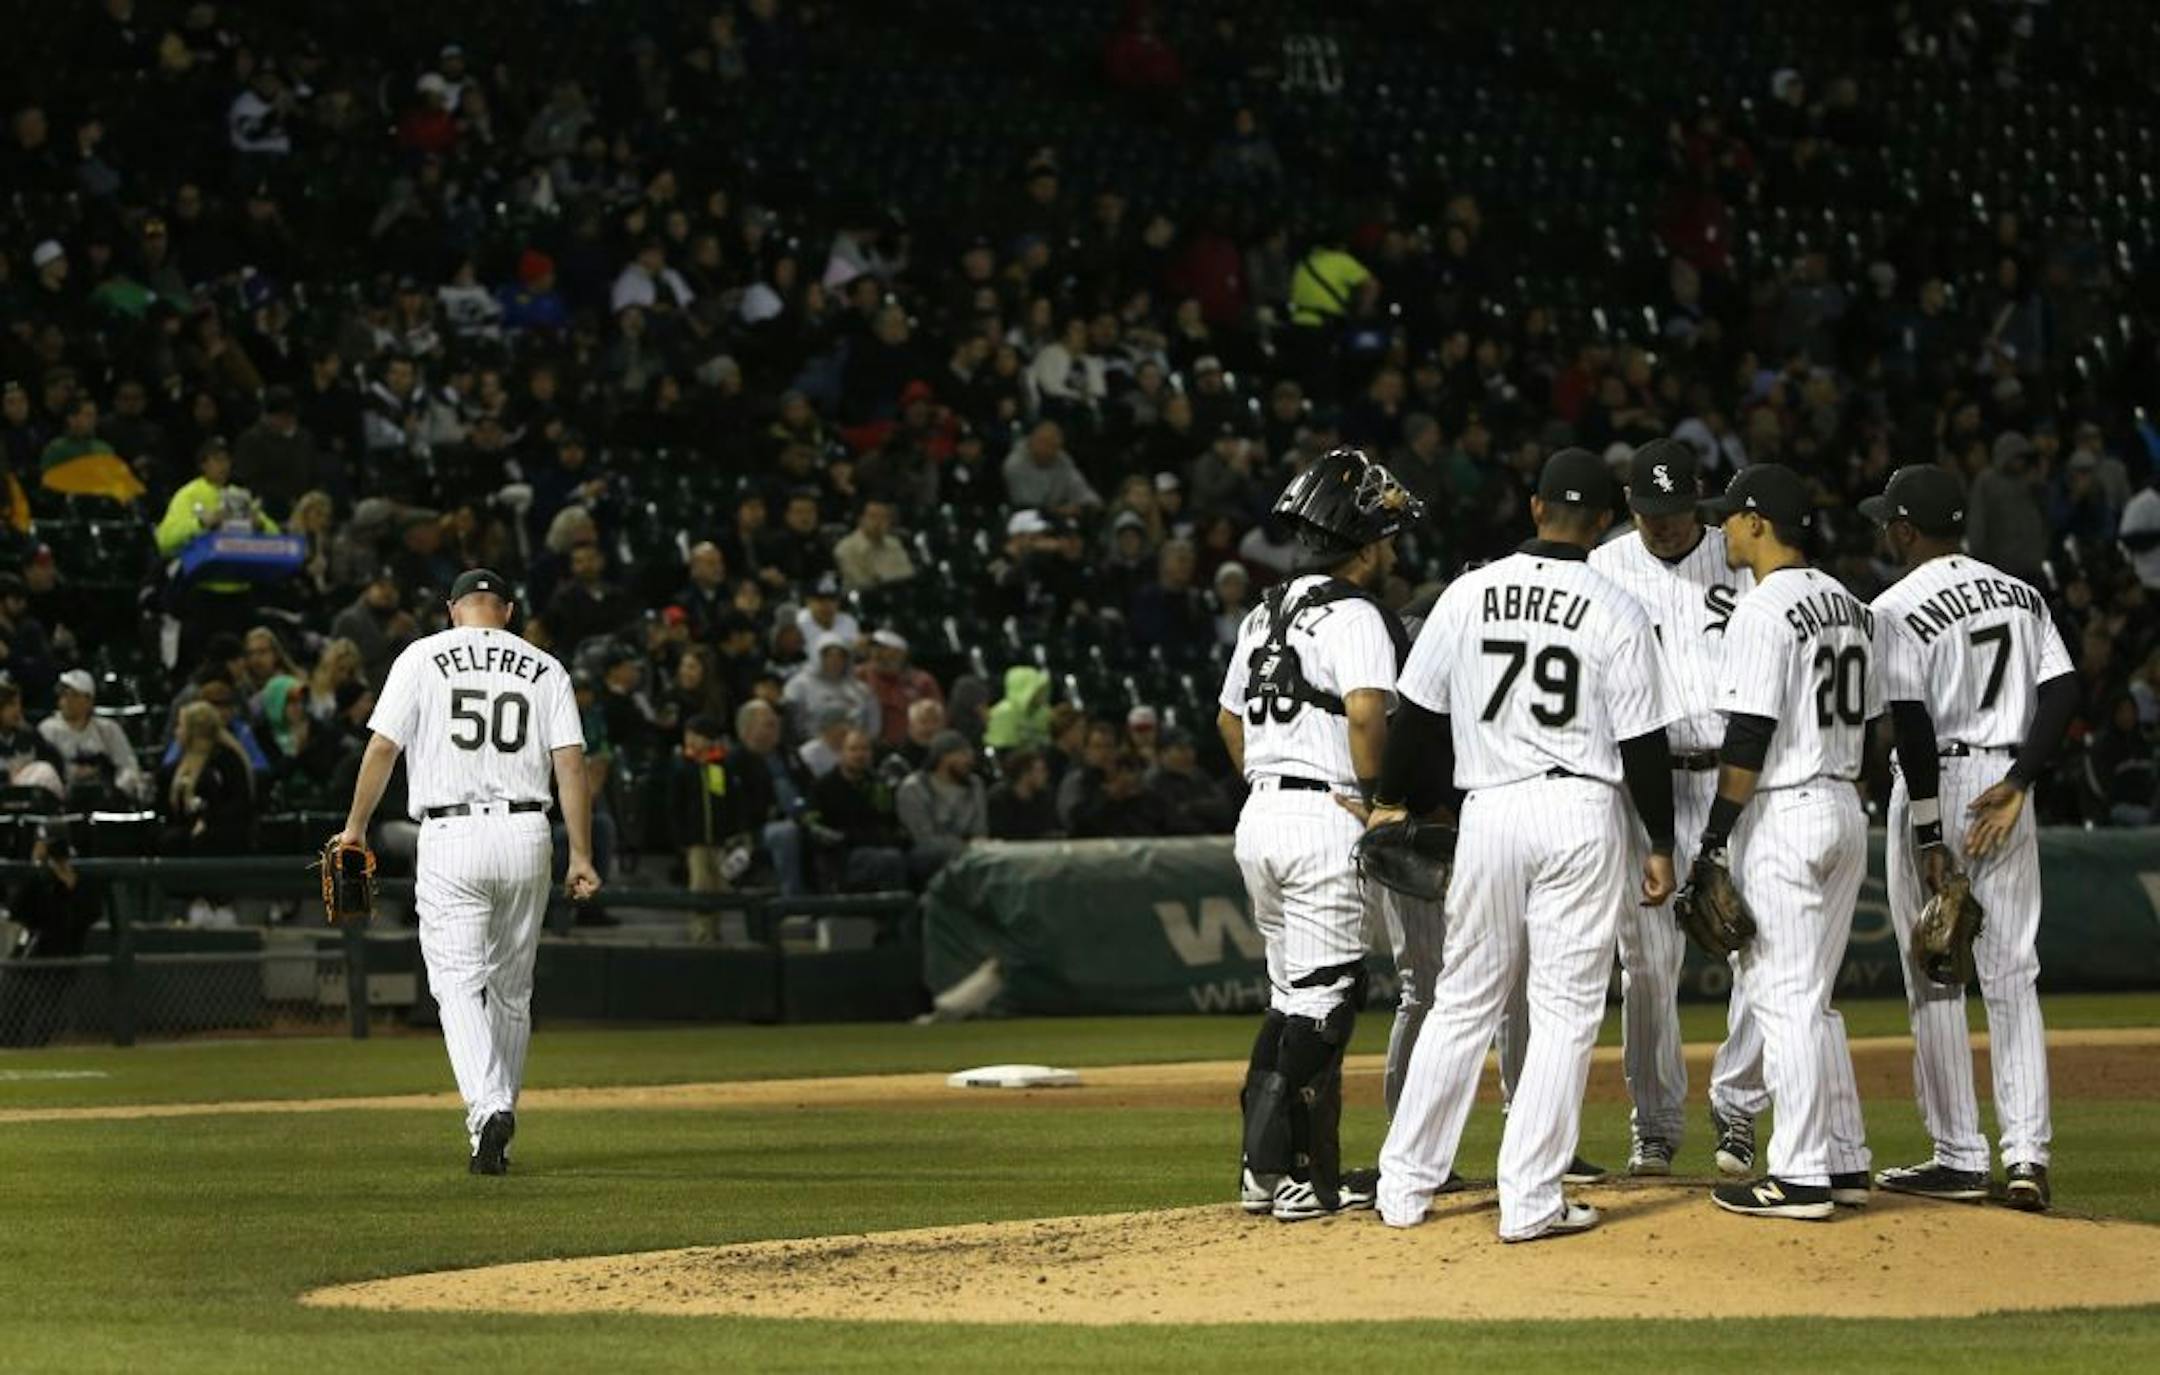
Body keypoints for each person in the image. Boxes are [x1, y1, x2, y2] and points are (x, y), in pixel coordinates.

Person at [1370, 449, 1675, 1242]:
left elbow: (1414, 722)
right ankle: (1531, 1199)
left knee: (1462, 1001)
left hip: (1493, 808)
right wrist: (1663, 840)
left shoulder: (1465, 595)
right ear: (1606, 519)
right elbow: (1644, 743)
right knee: (1566, 1011)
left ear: (1536, 509)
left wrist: (1391, 799)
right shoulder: (1616, 603)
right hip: (1581, 807)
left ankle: (1403, 1185)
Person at [1862, 464, 2079, 1212]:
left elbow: (1912, 722)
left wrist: (1929, 829)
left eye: (1886, 523)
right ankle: (2027, 1158)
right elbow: (2063, 691)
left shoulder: (1892, 605)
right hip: (2007, 792)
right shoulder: (2022, 592)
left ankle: (1959, 1153)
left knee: (1934, 972)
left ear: (1904, 527)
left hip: (1944, 781)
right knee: (2014, 976)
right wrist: (2019, 782)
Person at [332, 569, 599, 1176]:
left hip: (451, 834)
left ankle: (488, 1106)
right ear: (505, 610)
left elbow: (381, 749)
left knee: (456, 983)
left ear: (454, 610)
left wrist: (354, 827)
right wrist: (580, 853)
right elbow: (572, 764)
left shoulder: (422, 656)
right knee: (512, 988)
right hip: (529, 831)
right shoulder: (545, 666)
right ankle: (497, 1110)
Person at [1219, 446, 1419, 1223]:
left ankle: (1261, 1170)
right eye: (1389, 537)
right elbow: (1369, 711)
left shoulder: (1265, 609)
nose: (1394, 551)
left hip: (1262, 811)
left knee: (1289, 997)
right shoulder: (1357, 615)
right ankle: (1299, 1175)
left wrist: (1269, 777)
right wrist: (1378, 800)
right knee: (1328, 1001)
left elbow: (1227, 717)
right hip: (1323, 815)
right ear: (1364, 541)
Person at [1689, 463, 1875, 1220]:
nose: (1722, 528)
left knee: (1785, 997)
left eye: (1730, 516)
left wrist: (1711, 840)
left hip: (1786, 811)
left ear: (1759, 521)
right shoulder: (1850, 603)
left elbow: (1750, 733)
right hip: (1844, 803)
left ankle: (1800, 1174)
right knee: (1815, 1001)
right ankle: (1847, 1159)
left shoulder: (1764, 610)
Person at [1585, 438, 1758, 1178]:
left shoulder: (1743, 556)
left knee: (1763, 949)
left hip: (1737, 778)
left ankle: (1739, 1106)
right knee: (1648, 966)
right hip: (1646, 785)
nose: (1663, 524)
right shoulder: (1603, 567)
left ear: (1701, 501)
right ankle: (1653, 1123)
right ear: (1631, 506)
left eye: (1677, 509)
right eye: (1650, 511)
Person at [158, 699, 256, 925]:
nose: (177, 732)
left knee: (205, 841)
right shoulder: (180, 764)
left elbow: (241, 803)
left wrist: (209, 820)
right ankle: (186, 905)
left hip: (226, 832)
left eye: (180, 726)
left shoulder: (227, 759)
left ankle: (217, 904)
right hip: (191, 832)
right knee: (170, 840)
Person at [809, 727, 908, 890]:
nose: (859, 755)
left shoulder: (879, 784)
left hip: (879, 846)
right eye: (853, 749)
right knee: (892, 860)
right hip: (843, 855)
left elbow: (890, 820)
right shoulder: (822, 787)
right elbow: (816, 826)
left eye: (865, 749)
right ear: (841, 753)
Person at [40, 669, 149, 803]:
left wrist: (118, 790)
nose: (66, 700)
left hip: (105, 795)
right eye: (63, 694)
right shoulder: (47, 729)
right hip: (63, 797)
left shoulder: (108, 729)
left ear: (88, 700)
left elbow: (127, 765)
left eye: (73, 695)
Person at [894, 729, 986, 882]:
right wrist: (964, 847)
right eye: (962, 754)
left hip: (972, 851)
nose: (969, 761)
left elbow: (980, 829)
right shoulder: (914, 787)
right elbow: (924, 838)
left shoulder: (975, 784)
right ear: (943, 757)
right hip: (927, 856)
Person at [857, 629, 941, 746]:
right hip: (872, 748)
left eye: (883, 649)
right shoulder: (861, 675)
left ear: (900, 653)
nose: (876, 653)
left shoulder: (922, 682)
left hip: (915, 747)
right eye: (874, 649)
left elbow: (938, 719)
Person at [831, 498, 915, 591]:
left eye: (884, 517)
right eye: (873, 516)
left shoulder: (894, 543)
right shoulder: (845, 548)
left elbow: (908, 574)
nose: (879, 522)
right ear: (860, 519)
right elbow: (861, 584)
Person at [986, 748, 1060, 839]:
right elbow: (999, 834)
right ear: (1024, 773)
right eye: (1041, 770)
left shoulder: (1043, 796)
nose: (1046, 775)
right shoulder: (999, 798)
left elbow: (1048, 830)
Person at [982, 665, 1050, 751]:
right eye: (1038, 690)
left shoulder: (1043, 712)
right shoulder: (1004, 713)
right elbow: (1001, 749)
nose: (1042, 694)